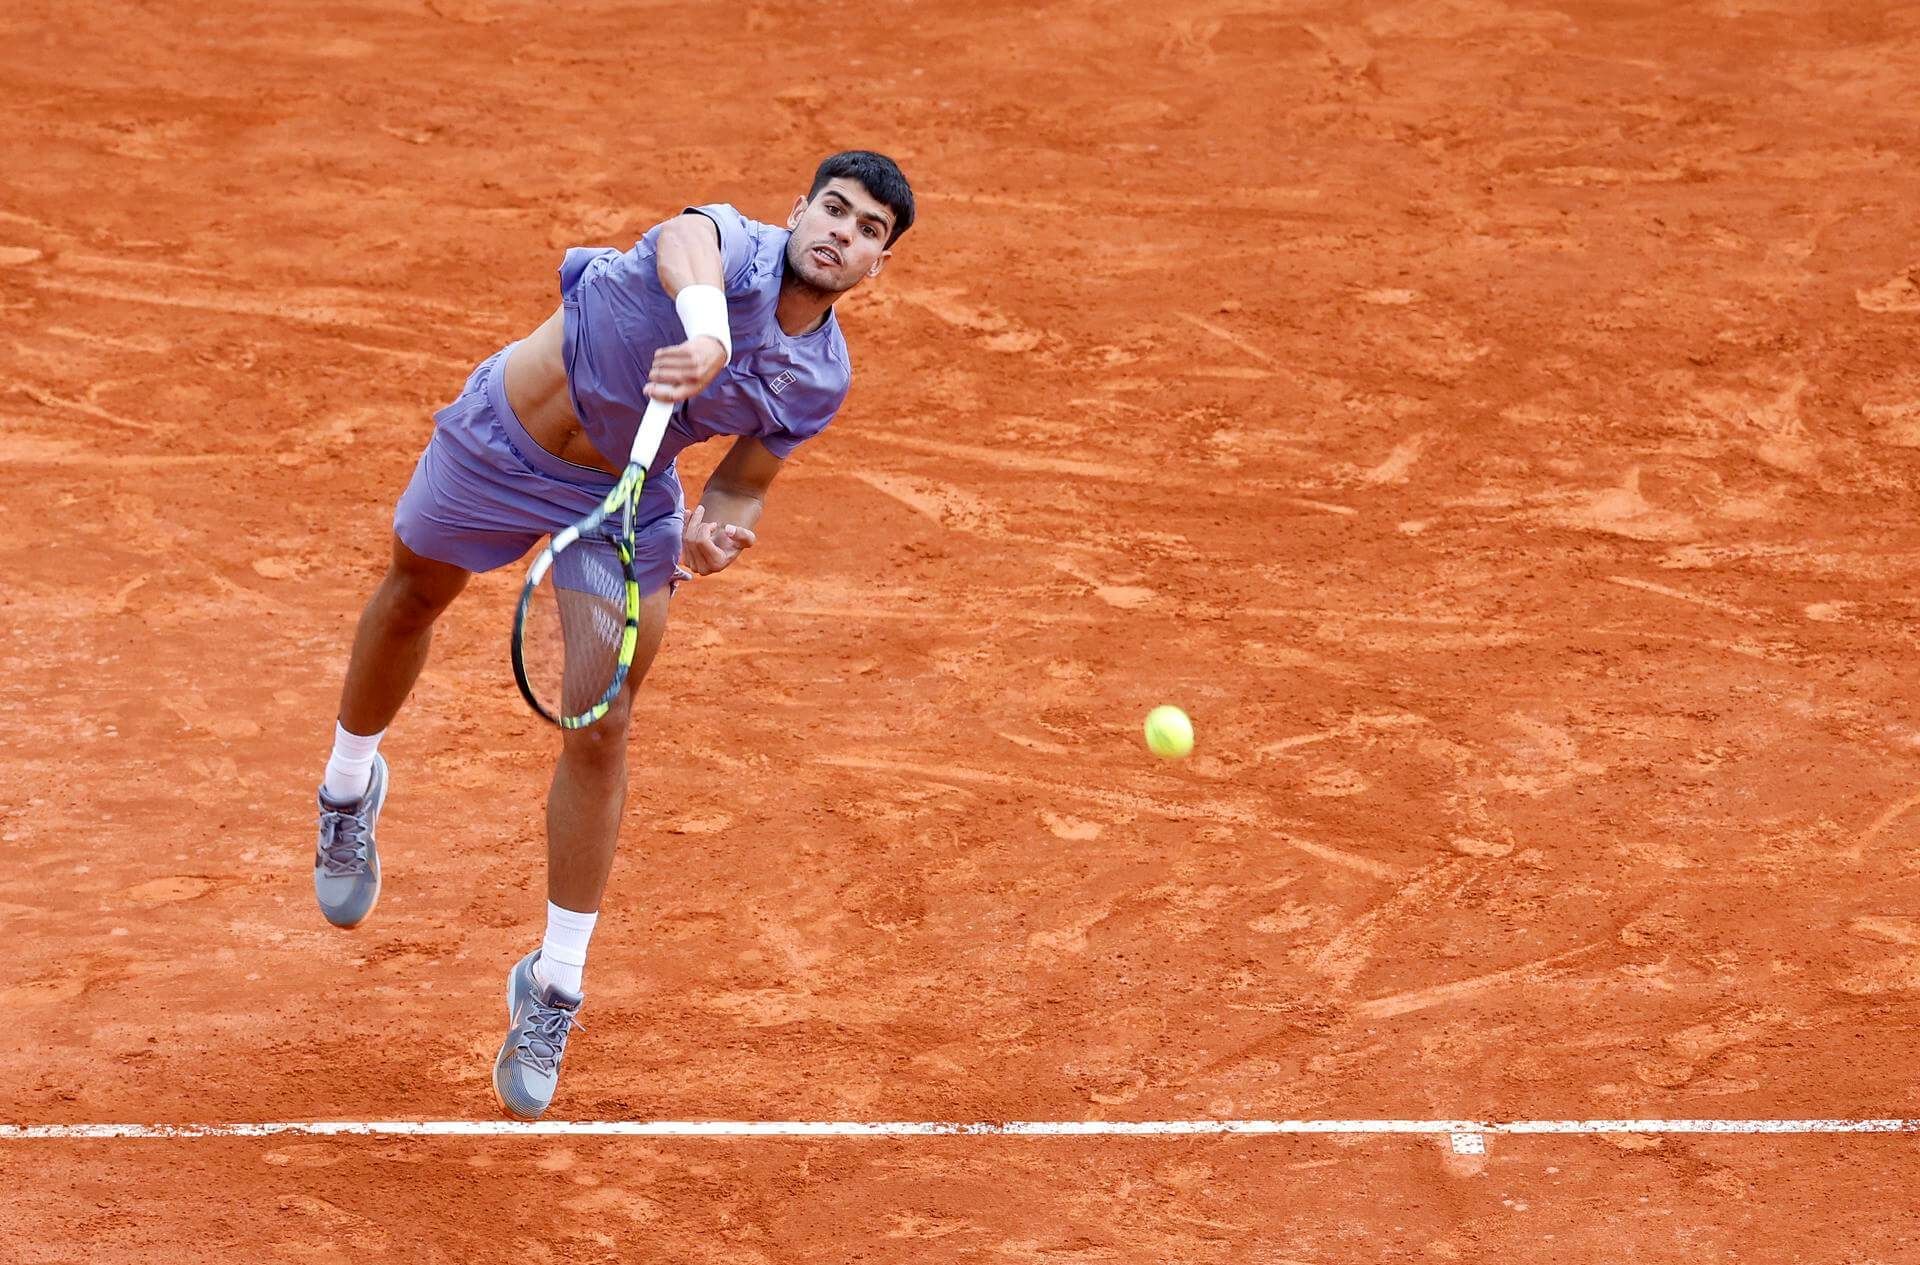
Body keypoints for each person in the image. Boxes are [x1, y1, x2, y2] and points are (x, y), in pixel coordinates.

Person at [308, 151, 915, 1119]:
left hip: (622, 503)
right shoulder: (732, 250)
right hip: (500, 438)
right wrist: (709, 330)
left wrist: (718, 532)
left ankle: (551, 987)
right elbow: (686, 243)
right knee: (414, 593)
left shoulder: (818, 377)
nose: (842, 232)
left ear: (876, 266)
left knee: (601, 719)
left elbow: (745, 479)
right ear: (797, 211)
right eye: (833, 209)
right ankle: (347, 785)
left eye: (868, 230)